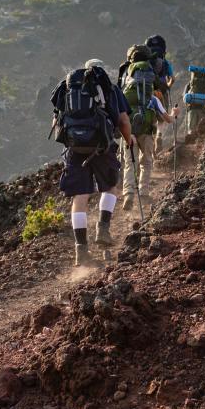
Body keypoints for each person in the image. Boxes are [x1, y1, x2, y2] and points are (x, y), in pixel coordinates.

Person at [51, 59, 133, 266]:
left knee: (80, 197)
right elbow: (123, 121)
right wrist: (129, 140)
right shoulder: (110, 89)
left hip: (74, 148)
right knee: (110, 187)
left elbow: (56, 121)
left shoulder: (68, 89)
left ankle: (81, 250)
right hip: (102, 145)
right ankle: (103, 229)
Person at [121, 83, 179, 209]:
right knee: (146, 163)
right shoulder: (153, 99)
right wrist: (174, 113)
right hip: (146, 134)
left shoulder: (124, 95)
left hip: (128, 133)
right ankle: (143, 193)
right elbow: (167, 119)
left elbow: (119, 117)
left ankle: (128, 194)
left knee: (130, 163)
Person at [144, 35, 175, 154]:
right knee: (162, 117)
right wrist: (167, 85)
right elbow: (173, 78)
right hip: (161, 91)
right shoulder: (165, 63)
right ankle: (159, 135)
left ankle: (149, 141)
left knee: (149, 116)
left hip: (148, 90)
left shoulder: (146, 62)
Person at [184, 67, 205, 139]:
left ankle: (191, 143)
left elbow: (185, 98)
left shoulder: (190, 85)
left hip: (192, 109)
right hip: (202, 110)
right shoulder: (204, 86)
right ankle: (200, 144)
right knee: (201, 129)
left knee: (192, 129)